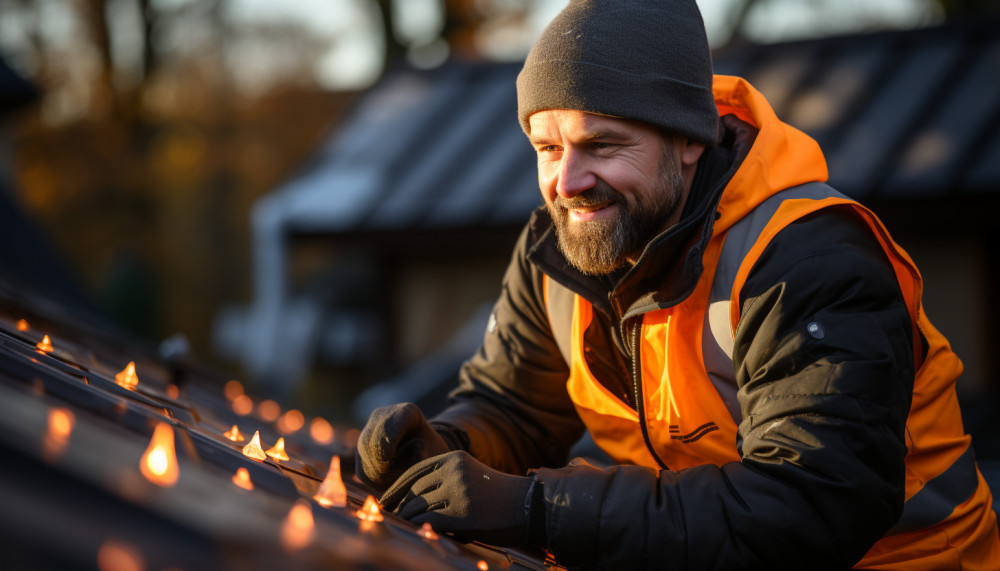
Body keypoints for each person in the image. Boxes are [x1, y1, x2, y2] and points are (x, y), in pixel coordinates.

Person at [355, 1, 1000, 569]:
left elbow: (809, 507)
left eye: (602, 145)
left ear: (688, 140)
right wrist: (449, 447)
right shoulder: (559, 246)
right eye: (547, 148)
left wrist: (537, 508)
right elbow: (515, 406)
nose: (569, 182)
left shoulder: (808, 259)